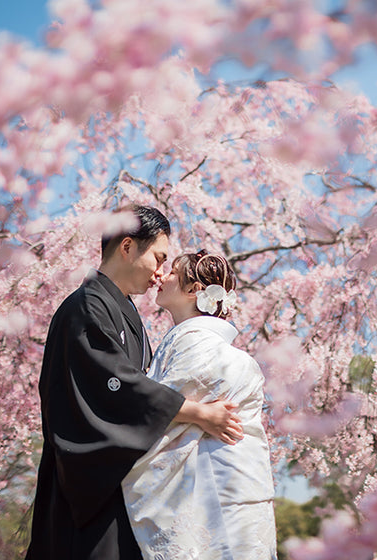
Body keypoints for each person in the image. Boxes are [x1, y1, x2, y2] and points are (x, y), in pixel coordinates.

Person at [26, 206, 244, 560]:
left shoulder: (121, 312)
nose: (160, 273)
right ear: (127, 247)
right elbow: (115, 384)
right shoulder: (86, 307)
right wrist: (197, 413)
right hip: (91, 486)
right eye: (159, 258)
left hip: (120, 480)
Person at [122, 250, 277, 560]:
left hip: (216, 488)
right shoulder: (190, 342)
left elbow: (151, 407)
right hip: (228, 489)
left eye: (172, 272)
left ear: (194, 290)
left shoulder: (201, 346)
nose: (161, 276)